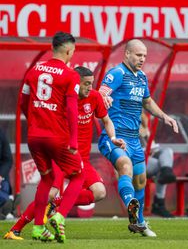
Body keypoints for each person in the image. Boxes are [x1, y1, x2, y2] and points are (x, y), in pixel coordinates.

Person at [4, 66, 125, 240]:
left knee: (99, 192)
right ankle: (15, 229)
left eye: (91, 84)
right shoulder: (63, 99)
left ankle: (55, 205)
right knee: (50, 193)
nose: (90, 88)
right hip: (61, 155)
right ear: (76, 83)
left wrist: (113, 137)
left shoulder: (95, 96)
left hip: (81, 157)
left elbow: (106, 120)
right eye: (86, 84)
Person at [98, 39, 179, 237]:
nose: (142, 59)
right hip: (115, 137)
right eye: (138, 55)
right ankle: (131, 207)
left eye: (144, 55)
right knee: (125, 166)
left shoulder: (141, 77)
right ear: (127, 54)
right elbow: (100, 94)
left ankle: (140, 223)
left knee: (140, 181)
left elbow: (148, 102)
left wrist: (165, 116)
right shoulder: (117, 73)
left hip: (134, 140)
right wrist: (104, 98)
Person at [19, 32, 86, 243]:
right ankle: (59, 216)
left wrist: (34, 121)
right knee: (78, 175)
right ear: (68, 51)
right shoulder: (70, 75)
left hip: (34, 136)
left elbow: (23, 102)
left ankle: (38, 227)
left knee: (47, 179)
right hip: (56, 136)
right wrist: (74, 140)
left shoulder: (33, 70)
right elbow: (72, 109)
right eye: (73, 52)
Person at [140, 112, 176, 218]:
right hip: (136, 162)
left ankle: (166, 170)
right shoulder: (126, 127)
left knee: (167, 152)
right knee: (161, 168)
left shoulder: (145, 130)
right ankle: (159, 204)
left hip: (149, 158)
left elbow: (153, 148)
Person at [0, 128, 14, 220]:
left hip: (1, 176)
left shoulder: (1, 135)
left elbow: (8, 159)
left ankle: (6, 206)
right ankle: (7, 205)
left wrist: (0, 176)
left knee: (4, 185)